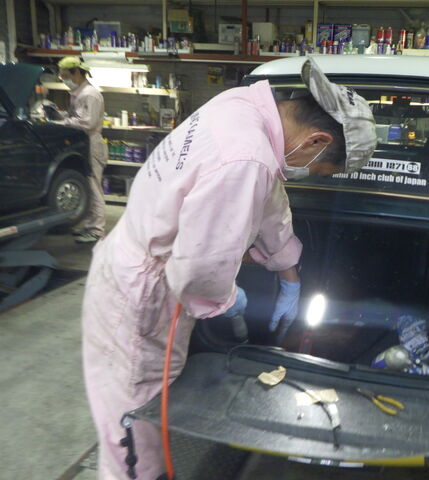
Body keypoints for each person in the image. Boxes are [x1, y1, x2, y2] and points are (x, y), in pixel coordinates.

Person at [82, 57, 377, 479]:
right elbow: (200, 269)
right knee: (134, 415)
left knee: (142, 400)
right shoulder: (246, 158)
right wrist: (225, 300)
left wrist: (287, 270)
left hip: (142, 263)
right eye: (321, 169)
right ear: (316, 140)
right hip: (142, 290)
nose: (313, 174)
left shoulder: (245, 109)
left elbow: (269, 195)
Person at [56, 56, 108, 244]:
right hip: (84, 144)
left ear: (77, 72)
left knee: (94, 188)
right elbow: (78, 115)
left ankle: (97, 230)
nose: (64, 79)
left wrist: (61, 123)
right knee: (87, 187)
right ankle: (89, 226)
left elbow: (88, 122)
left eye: (66, 76)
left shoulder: (89, 94)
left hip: (91, 144)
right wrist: (60, 114)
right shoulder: (79, 93)